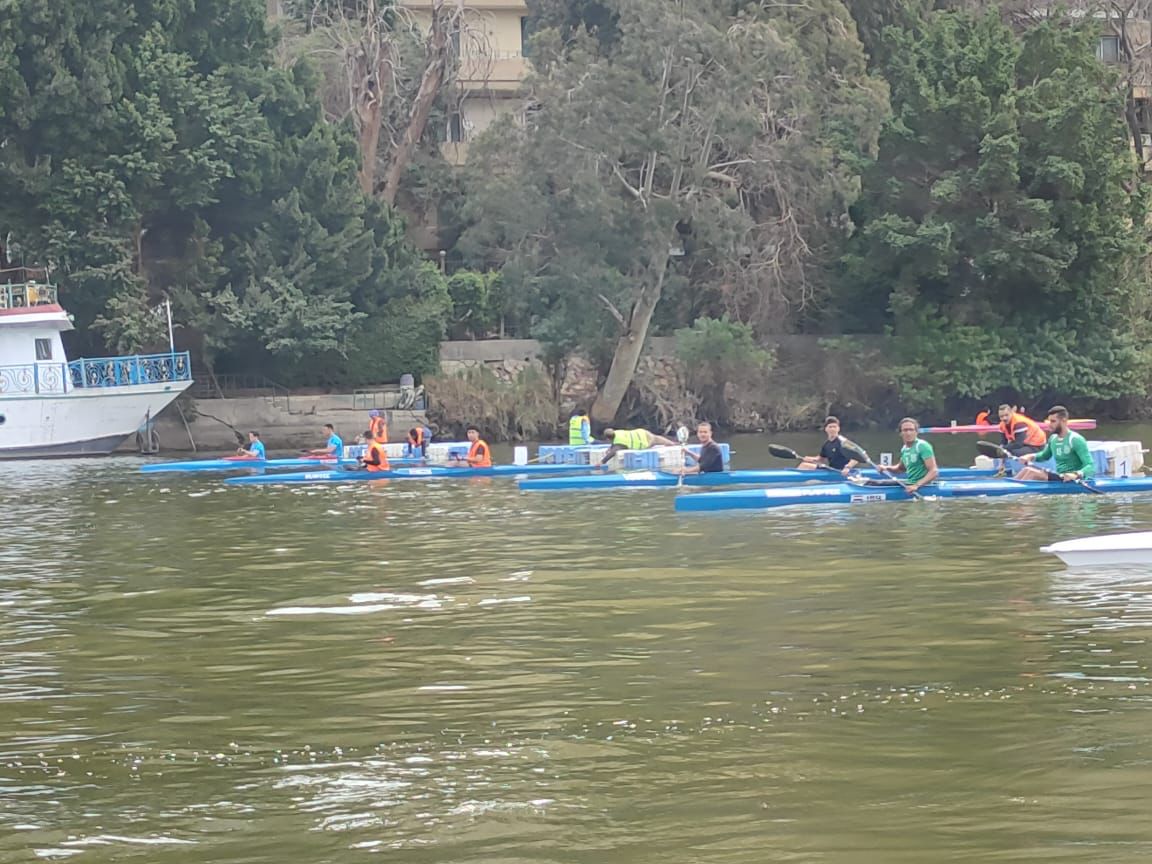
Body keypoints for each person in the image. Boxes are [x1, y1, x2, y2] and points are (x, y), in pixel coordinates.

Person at [1014, 406, 1094, 483]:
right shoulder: (1053, 438)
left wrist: (1075, 474)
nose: (1049, 425)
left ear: (1063, 421)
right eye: (1049, 421)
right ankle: (1012, 487)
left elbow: (1090, 466)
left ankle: (1015, 491)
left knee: (1031, 473)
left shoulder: (1075, 439)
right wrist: (1030, 457)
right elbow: (1044, 456)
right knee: (1026, 470)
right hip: (1060, 477)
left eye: (1053, 421)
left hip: (1073, 480)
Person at [878, 417, 938, 493]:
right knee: (874, 483)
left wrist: (916, 485)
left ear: (916, 432)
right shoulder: (904, 449)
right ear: (901, 433)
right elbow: (900, 469)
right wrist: (886, 468)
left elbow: (934, 471)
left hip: (924, 486)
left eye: (911, 430)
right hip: (910, 483)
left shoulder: (922, 446)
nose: (908, 433)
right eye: (905, 430)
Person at [598, 428, 677, 466]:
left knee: (655, 440)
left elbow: (612, 453)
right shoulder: (617, 432)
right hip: (641, 432)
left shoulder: (620, 444)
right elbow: (614, 442)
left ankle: (671, 443)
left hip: (643, 442)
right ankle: (672, 443)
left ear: (608, 438)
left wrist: (601, 462)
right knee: (656, 438)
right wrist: (610, 448)